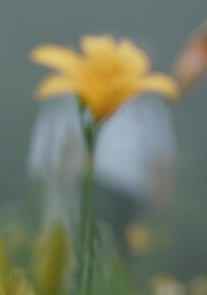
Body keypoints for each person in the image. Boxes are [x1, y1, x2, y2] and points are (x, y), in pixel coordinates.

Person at [27, 93, 176, 262]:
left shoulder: (151, 104)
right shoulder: (72, 94)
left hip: (124, 195)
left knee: (109, 257)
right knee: (78, 252)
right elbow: (62, 145)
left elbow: (162, 161)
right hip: (88, 185)